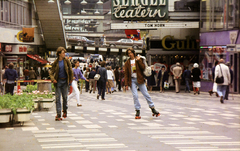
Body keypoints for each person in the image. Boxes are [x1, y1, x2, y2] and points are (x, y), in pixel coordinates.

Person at [124, 47, 160, 119]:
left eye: (131, 53)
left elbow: (143, 68)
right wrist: (126, 84)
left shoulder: (138, 59)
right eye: (128, 53)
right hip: (132, 80)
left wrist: (138, 61)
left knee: (146, 94)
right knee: (135, 96)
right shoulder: (127, 63)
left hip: (140, 79)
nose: (130, 54)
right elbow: (126, 74)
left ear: (133, 53)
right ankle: (137, 110)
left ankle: (153, 108)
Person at [49, 47, 73, 121]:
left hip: (65, 82)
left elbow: (71, 70)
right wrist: (53, 79)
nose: (64, 54)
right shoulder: (56, 62)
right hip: (58, 82)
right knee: (57, 98)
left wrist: (71, 79)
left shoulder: (66, 61)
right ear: (59, 54)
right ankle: (58, 114)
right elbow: (51, 72)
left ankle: (65, 110)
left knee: (65, 98)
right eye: (63, 53)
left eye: (64, 53)